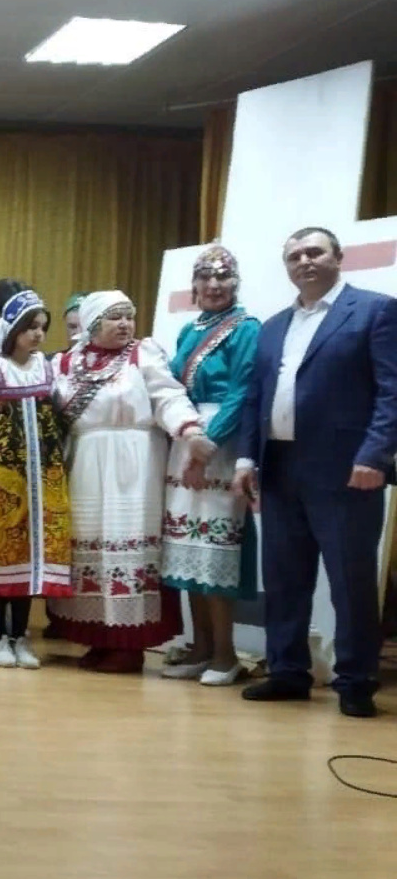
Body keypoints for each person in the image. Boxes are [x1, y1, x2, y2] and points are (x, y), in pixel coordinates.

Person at [234, 227, 397, 719]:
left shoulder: (374, 311)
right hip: (280, 468)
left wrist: (375, 455)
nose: (304, 261)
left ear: (338, 257)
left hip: (347, 471)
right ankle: (287, 672)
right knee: (283, 578)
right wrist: (246, 459)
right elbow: (255, 398)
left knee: (350, 580)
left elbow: (392, 390)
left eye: (314, 252)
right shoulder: (273, 327)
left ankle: (356, 681)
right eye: (295, 256)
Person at [52, 291, 207, 674]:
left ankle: (129, 644)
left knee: (128, 541)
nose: (125, 324)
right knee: (89, 543)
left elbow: (168, 396)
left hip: (135, 465)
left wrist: (189, 429)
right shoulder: (66, 363)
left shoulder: (142, 355)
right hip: (86, 462)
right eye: (115, 317)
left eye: (129, 316)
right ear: (92, 324)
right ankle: (99, 638)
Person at [158, 247, 260, 687]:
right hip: (187, 437)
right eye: (206, 277)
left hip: (221, 439)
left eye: (223, 278)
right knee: (187, 551)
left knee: (214, 550)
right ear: (194, 285)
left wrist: (207, 445)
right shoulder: (190, 329)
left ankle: (225, 653)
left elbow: (243, 391)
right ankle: (199, 647)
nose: (214, 285)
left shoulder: (246, 328)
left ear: (235, 284)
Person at [0, 290, 71, 669]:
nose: (37, 334)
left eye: (42, 327)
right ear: (12, 330)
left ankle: (21, 636)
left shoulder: (47, 369)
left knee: (30, 559)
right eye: (29, 327)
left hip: (42, 481)